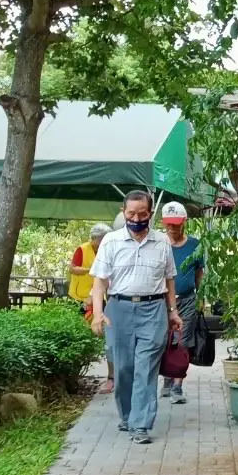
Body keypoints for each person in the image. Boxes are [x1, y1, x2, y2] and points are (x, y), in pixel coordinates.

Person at [89, 190, 183, 445]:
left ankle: (140, 424)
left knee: (146, 369)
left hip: (153, 310)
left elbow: (169, 279)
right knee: (124, 369)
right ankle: (128, 416)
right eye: (130, 213)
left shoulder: (162, 241)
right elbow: (99, 284)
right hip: (119, 310)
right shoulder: (111, 241)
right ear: (123, 212)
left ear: (150, 214)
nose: (136, 218)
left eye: (141, 214)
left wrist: (172, 311)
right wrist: (98, 314)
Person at [160, 201, 203, 404]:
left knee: (183, 342)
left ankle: (177, 386)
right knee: (164, 341)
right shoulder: (158, 244)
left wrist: (201, 297)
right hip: (161, 301)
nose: (171, 228)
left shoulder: (195, 245)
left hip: (186, 300)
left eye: (175, 224)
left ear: (184, 222)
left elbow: (199, 273)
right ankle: (167, 379)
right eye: (168, 224)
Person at [69, 223, 114, 392]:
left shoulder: (106, 251)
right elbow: (72, 268)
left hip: (96, 297)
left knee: (98, 330)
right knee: (81, 328)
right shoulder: (82, 249)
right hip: (79, 296)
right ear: (96, 238)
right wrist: (92, 269)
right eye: (102, 239)